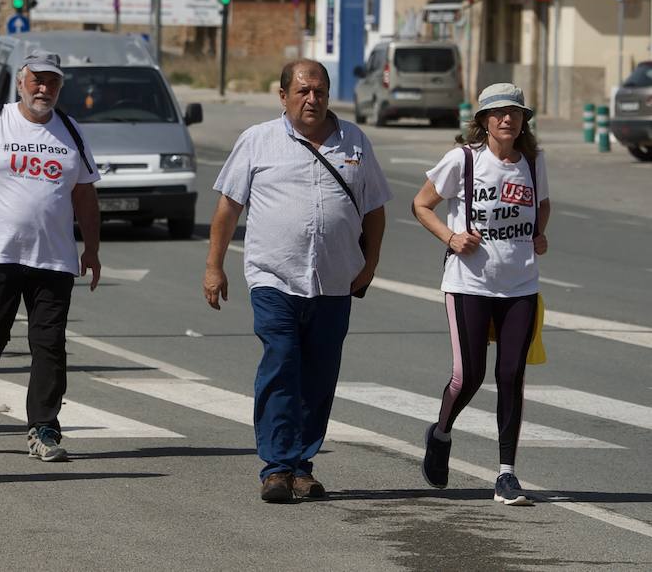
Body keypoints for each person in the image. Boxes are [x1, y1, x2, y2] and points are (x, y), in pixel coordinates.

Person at [203, 60, 389, 503]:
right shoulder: (257, 141)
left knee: (319, 376)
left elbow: (375, 209)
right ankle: (276, 467)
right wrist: (214, 266)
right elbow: (228, 209)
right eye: (303, 91)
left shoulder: (354, 142)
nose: (312, 99)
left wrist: (370, 263)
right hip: (274, 276)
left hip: (334, 280)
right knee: (282, 364)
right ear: (283, 95)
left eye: (320, 91)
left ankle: (301, 465)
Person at [0, 49, 102, 463]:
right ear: (21, 82)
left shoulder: (70, 130)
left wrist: (92, 248)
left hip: (53, 259)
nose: (44, 88)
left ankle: (44, 428)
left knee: (49, 345)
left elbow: (85, 193)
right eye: (37, 80)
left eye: (52, 81)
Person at [411, 83, 550, 507]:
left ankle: (506, 474)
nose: (507, 119)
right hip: (468, 283)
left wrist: (539, 232)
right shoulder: (464, 160)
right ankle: (440, 433)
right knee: (468, 376)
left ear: (524, 119)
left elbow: (542, 204)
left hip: (520, 284)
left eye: (515, 112)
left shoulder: (532, 160)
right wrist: (451, 237)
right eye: (498, 113)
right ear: (484, 120)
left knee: (511, 375)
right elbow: (421, 204)